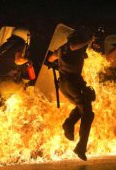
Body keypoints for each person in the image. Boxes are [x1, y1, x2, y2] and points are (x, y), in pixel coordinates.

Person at [46, 27, 95, 161]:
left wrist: (60, 62)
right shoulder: (73, 46)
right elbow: (73, 47)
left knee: (81, 108)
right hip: (73, 83)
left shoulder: (62, 49)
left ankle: (68, 124)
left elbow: (50, 58)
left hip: (64, 84)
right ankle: (80, 147)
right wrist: (88, 41)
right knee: (88, 113)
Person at [0, 27, 32, 101]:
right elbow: (18, 60)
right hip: (12, 82)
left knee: (8, 106)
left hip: (1, 83)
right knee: (23, 103)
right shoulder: (20, 44)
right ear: (25, 35)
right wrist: (28, 60)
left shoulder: (5, 45)